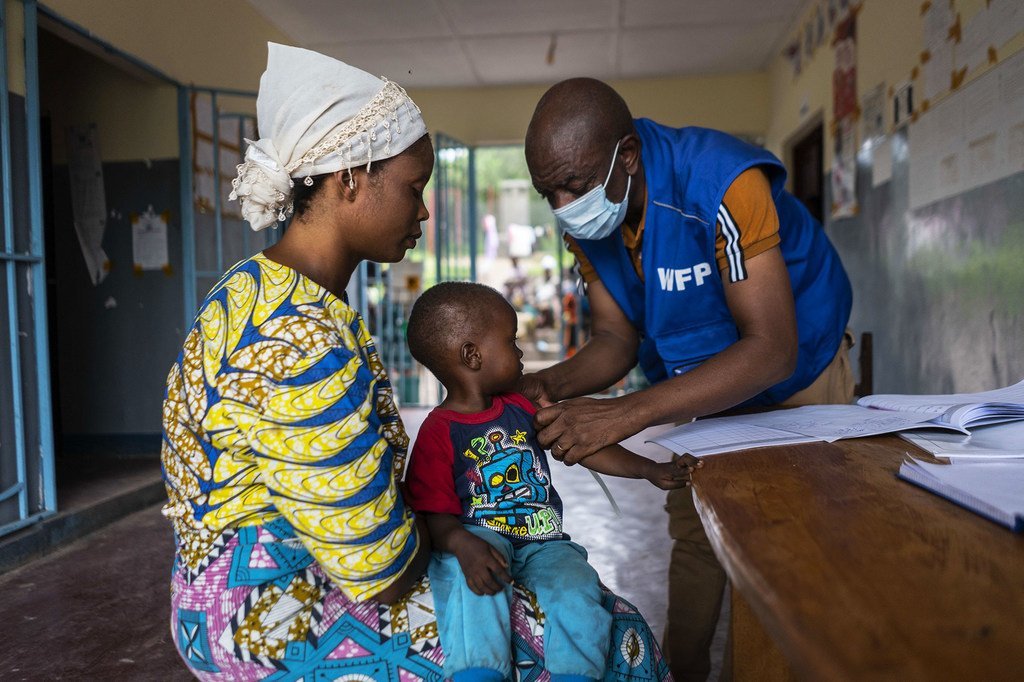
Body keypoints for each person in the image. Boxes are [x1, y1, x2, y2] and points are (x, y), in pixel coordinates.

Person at [522, 78, 854, 681]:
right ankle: (682, 672)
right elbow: (616, 340)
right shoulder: (591, 222)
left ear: (628, 155)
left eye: (574, 184)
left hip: (800, 377)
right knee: (698, 531)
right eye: (549, 191)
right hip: (703, 380)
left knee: (792, 549)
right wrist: (544, 385)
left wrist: (628, 413)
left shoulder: (723, 182)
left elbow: (772, 349)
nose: (564, 204)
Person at [160, 43, 436, 677]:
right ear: (349, 180)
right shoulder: (298, 337)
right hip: (268, 614)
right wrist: (452, 535)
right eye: (412, 187)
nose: (421, 210)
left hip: (210, 596)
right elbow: (381, 572)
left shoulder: (253, 287)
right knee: (555, 639)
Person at [403, 282, 696, 682]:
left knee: (577, 587)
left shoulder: (521, 407)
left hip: (544, 543)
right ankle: (478, 673)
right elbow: (433, 511)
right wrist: (461, 544)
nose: (520, 352)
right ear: (473, 355)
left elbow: (585, 446)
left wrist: (647, 469)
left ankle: (575, 674)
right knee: (467, 579)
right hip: (482, 535)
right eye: (511, 341)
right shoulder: (439, 432)